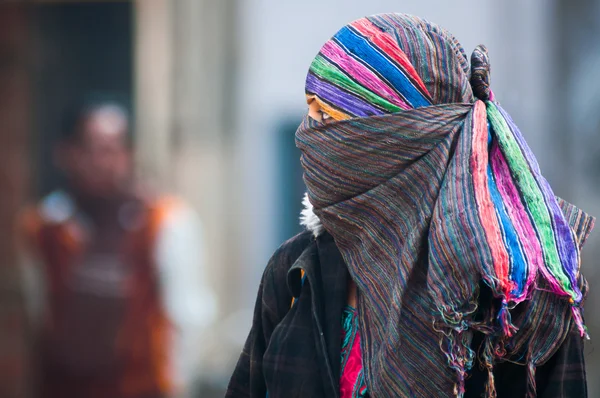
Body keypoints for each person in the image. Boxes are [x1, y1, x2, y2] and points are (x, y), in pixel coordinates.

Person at [227, 13, 595, 398]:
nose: (308, 134)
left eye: (325, 115)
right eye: (309, 111)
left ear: (396, 139)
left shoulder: (516, 296)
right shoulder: (296, 272)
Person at [20, 100, 216, 398]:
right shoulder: (44, 228)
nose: (101, 162)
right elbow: (35, 316)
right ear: (66, 153)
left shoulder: (164, 222)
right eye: (90, 149)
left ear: (129, 155)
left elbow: (188, 316)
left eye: (112, 150)